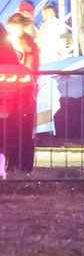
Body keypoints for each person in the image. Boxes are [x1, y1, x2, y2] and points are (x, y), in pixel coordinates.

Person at [5, 12, 38, 172]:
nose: (11, 30)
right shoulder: (25, 41)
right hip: (24, 90)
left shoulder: (23, 42)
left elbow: (27, 68)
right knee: (22, 131)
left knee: (19, 130)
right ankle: (20, 165)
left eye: (13, 27)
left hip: (22, 92)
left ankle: (17, 164)